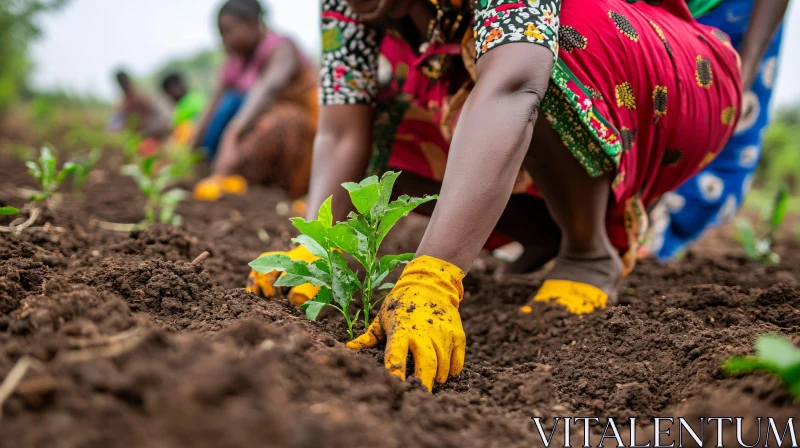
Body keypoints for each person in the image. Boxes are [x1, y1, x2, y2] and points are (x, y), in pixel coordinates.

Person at [248, 0, 741, 391]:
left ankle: (588, 253)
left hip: (671, 74)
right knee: (387, 104)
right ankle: (547, 226)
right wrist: (315, 250)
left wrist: (432, 278)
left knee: (555, 36)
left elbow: (515, 86)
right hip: (520, 83)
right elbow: (340, 129)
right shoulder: (352, 4)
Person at [648, 0, 790, 260]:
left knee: (718, 147)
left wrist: (745, 70)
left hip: (736, 18)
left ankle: (650, 246)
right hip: (646, 17)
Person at [191, 0, 318, 201]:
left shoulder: (281, 48)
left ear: (253, 23)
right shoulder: (235, 63)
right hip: (254, 125)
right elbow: (212, 108)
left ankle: (282, 194)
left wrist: (232, 134)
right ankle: (240, 190)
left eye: (228, 31)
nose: (224, 40)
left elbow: (267, 88)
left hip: (307, 131)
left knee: (274, 124)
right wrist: (191, 151)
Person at [109, 70, 170, 140]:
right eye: (121, 83)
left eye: (124, 81)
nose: (124, 85)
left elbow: (163, 114)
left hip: (156, 129)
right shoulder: (123, 104)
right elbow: (114, 125)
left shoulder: (143, 95)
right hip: (140, 136)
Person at [161, 72, 208, 145]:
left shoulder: (194, 99)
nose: (174, 91)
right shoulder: (178, 109)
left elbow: (199, 120)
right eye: (169, 90)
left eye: (175, 85)